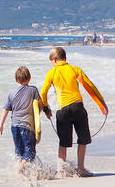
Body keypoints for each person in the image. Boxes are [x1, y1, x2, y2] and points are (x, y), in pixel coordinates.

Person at [39, 46, 107, 176]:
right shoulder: (75, 69)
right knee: (83, 139)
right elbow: (90, 86)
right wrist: (102, 104)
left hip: (63, 110)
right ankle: (81, 169)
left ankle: (61, 171)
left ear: (54, 60)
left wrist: (46, 109)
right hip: (78, 107)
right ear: (64, 58)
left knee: (63, 142)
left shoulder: (52, 73)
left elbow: (43, 92)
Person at [0, 66, 49, 172]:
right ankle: (19, 170)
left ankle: (20, 172)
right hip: (26, 126)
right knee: (30, 152)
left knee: (19, 152)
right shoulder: (33, 90)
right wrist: (43, 111)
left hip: (14, 126)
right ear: (29, 78)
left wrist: (1, 125)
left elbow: (5, 109)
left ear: (16, 80)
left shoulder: (11, 92)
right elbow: (40, 104)